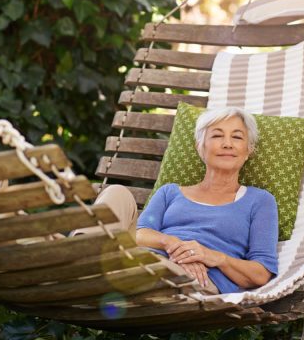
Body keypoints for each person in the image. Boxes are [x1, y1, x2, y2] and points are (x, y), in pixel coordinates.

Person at [73, 107, 279, 295]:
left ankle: (95, 265)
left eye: (237, 137)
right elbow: (140, 234)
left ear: (248, 150)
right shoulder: (170, 192)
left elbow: (261, 273)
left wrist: (213, 256)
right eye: (217, 135)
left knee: (156, 268)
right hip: (147, 258)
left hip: (196, 278)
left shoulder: (259, 201)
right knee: (117, 192)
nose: (227, 144)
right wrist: (173, 244)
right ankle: (74, 254)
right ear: (200, 147)